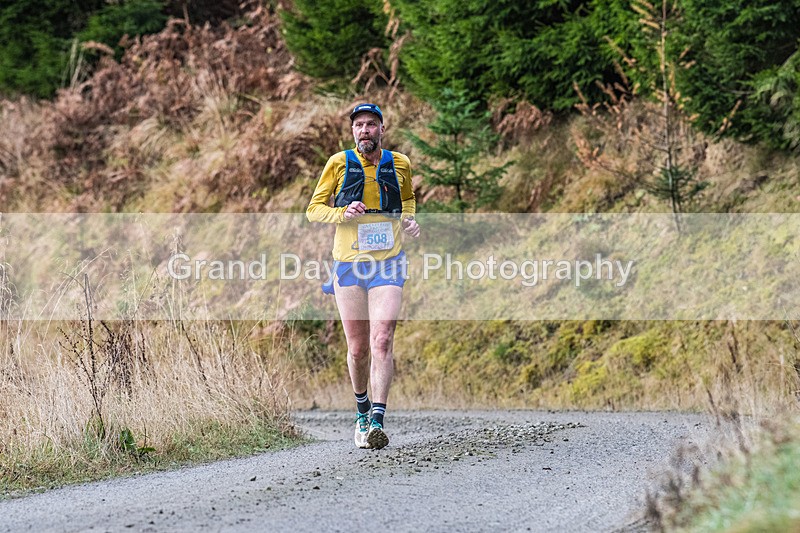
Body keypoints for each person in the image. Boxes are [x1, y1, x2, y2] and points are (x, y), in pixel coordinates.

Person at [306, 103, 420, 450]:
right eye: (359, 125)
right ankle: (361, 412)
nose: (365, 130)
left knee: (382, 339)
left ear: (382, 129)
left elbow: (409, 198)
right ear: (353, 131)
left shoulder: (400, 163)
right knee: (357, 349)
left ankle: (377, 422)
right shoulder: (338, 163)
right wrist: (342, 212)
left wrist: (409, 220)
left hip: (389, 262)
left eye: (371, 124)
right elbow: (314, 209)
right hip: (350, 264)